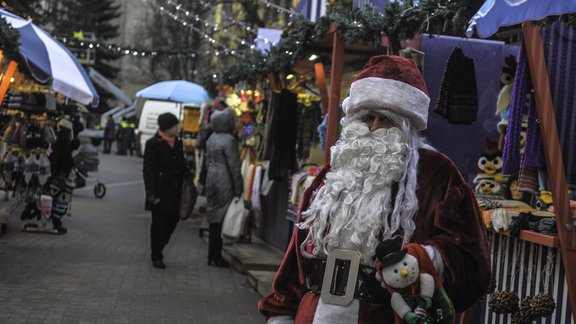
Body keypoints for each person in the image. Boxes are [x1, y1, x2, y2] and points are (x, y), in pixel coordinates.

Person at [258, 55, 490, 323]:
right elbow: (296, 259)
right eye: (368, 117)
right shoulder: (334, 173)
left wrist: (424, 259)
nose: (374, 128)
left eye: (387, 120)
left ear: (407, 126)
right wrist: (282, 313)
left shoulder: (438, 174)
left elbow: (473, 262)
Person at [143, 112, 185, 269]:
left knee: (172, 222)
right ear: (167, 127)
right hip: (159, 191)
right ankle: (156, 255)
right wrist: (151, 192)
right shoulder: (153, 144)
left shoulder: (178, 142)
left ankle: (160, 246)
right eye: (175, 126)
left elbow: (181, 165)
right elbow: (148, 170)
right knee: (159, 224)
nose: (177, 128)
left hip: (175, 191)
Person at [205, 108, 243, 267]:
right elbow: (234, 167)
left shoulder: (211, 138)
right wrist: (238, 189)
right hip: (224, 180)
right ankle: (217, 255)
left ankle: (211, 254)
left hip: (212, 178)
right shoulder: (229, 140)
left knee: (213, 218)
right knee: (221, 218)